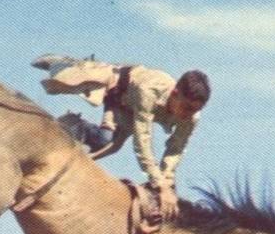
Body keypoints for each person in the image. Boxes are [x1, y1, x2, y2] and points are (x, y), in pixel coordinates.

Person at [34, 55, 210, 221]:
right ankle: (76, 122)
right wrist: (159, 184)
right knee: (105, 139)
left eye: (195, 110)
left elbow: (175, 149)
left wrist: (166, 182)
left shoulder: (192, 117)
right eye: (186, 108)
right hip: (119, 89)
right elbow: (142, 142)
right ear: (174, 94)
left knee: (113, 149)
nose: (189, 115)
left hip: (131, 109)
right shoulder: (149, 91)